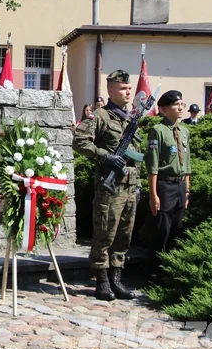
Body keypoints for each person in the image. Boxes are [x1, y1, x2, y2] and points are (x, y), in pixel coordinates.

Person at [73, 70, 140, 301]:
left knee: (124, 235)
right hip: (110, 188)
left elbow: (137, 156)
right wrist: (105, 156)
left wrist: (138, 184)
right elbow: (79, 142)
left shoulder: (131, 118)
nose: (128, 91)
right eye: (123, 88)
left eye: (129, 88)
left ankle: (116, 279)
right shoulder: (100, 116)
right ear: (111, 90)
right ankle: (101, 281)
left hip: (130, 188)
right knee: (105, 234)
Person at [144, 90, 191, 275]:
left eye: (182, 105)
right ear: (163, 109)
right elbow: (153, 165)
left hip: (180, 185)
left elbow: (187, 164)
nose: (180, 108)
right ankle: (154, 272)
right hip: (165, 185)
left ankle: (170, 270)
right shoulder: (158, 131)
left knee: (177, 229)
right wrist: (153, 194)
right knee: (161, 230)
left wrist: (187, 191)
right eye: (176, 105)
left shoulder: (184, 131)